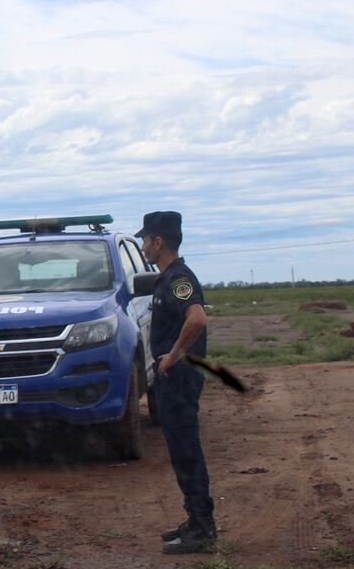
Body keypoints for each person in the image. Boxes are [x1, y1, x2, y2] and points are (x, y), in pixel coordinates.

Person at [135, 211, 216, 554]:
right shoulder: (166, 277)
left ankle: (202, 528)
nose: (142, 246)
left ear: (159, 241)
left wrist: (172, 355)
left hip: (179, 379)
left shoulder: (178, 277)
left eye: (145, 240)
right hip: (173, 380)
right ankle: (195, 519)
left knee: (186, 451)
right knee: (181, 451)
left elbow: (197, 318)